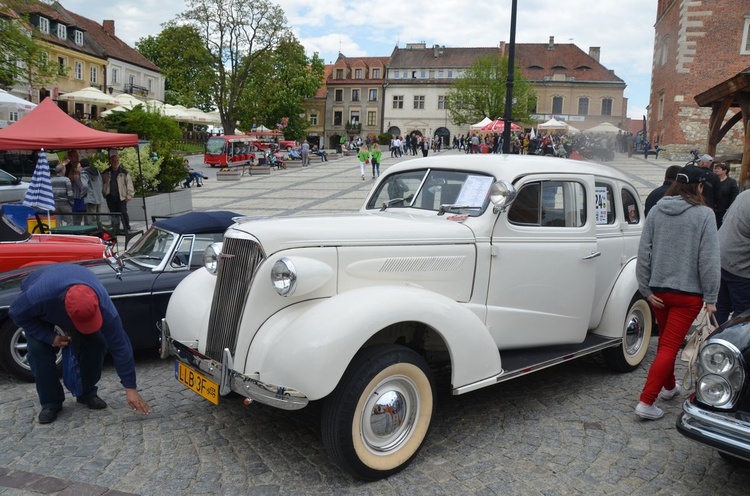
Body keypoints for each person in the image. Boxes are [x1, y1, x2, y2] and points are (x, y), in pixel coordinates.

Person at [8, 263, 152, 424]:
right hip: (41, 308)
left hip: (70, 290)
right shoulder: (38, 296)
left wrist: (130, 389)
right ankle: (51, 403)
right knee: (37, 350)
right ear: (65, 309)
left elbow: (120, 345)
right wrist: (50, 337)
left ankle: (86, 392)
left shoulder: (104, 304)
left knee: (97, 343)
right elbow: (16, 313)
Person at [634, 164, 720, 420]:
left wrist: (645, 288)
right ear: (699, 186)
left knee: (665, 345)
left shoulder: (657, 210)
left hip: (658, 291)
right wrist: (712, 297)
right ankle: (646, 402)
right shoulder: (704, 215)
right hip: (687, 294)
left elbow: (643, 252)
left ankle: (669, 388)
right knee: (670, 347)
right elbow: (709, 260)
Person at [715, 190, 750, 325]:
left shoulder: (745, 194)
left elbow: (724, 219)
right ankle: (731, 343)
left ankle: (713, 342)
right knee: (742, 315)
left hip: (720, 258)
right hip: (740, 267)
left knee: (720, 308)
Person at [101, 149, 135, 232]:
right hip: (110, 196)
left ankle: (127, 227)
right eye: (113, 161)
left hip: (122, 196)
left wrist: (130, 194)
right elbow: (102, 183)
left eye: (117, 160)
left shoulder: (124, 172)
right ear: (110, 162)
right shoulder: (106, 172)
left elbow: (129, 184)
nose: (115, 162)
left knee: (123, 212)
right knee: (113, 214)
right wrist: (104, 193)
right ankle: (116, 229)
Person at [712, 162, 739, 229]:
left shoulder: (731, 182)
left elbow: (734, 195)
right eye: (716, 168)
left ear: (725, 171)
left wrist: (730, 208)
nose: (716, 170)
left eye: (718, 168)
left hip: (724, 209)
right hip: (713, 209)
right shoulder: (714, 180)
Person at [80, 158, 103, 225]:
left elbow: (85, 185)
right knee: (98, 218)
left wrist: (82, 194)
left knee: (92, 219)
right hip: (99, 197)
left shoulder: (84, 172)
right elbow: (101, 182)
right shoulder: (97, 171)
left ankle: (94, 233)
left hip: (90, 198)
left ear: (81, 165)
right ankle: (100, 232)